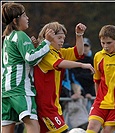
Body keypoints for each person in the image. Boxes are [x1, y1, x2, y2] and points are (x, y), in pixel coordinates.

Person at [2, 2, 55, 133]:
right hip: (20, 89)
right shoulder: (20, 35)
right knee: (32, 124)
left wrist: (33, 46)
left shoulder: (7, 37)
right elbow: (31, 59)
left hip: (5, 90)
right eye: (24, 15)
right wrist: (46, 42)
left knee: (7, 127)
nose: (27, 18)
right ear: (15, 20)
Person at [33, 21, 95, 133]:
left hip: (54, 105)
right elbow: (60, 63)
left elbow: (78, 52)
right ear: (49, 36)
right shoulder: (45, 53)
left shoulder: (59, 52)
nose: (62, 41)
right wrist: (82, 65)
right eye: (59, 37)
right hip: (46, 106)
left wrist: (79, 35)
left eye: (63, 38)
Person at [86, 25, 115, 133]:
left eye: (109, 43)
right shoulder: (98, 56)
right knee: (91, 127)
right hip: (101, 102)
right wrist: (98, 98)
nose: (105, 46)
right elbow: (97, 80)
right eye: (103, 43)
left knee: (107, 131)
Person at [69, 37, 95, 112]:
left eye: (87, 46)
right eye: (83, 46)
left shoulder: (93, 60)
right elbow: (74, 77)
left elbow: (93, 78)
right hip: (78, 91)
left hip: (89, 93)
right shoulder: (74, 59)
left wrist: (90, 93)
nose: (85, 48)